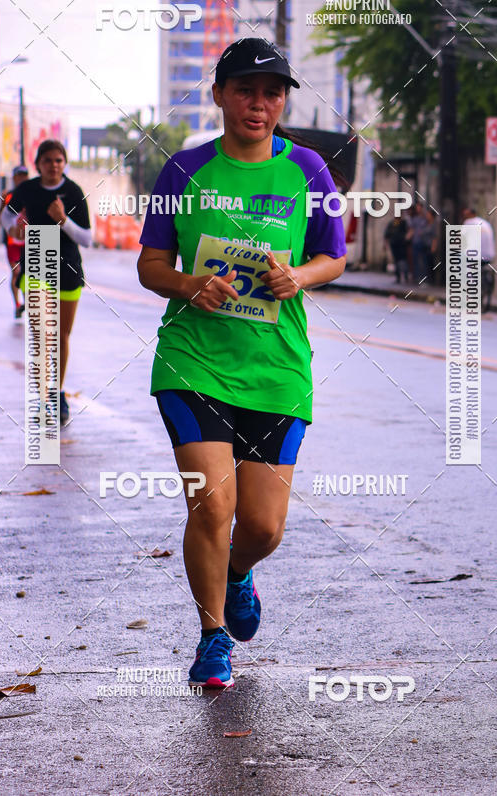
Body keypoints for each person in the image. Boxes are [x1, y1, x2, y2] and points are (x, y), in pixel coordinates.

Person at [137, 38, 347, 689]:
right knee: (211, 507)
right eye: (246, 90)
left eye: (272, 92)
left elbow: (334, 256)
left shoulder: (309, 170)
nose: (259, 104)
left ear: (282, 101)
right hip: (193, 363)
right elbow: (150, 265)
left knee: (261, 526)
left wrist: (300, 277)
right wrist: (189, 284)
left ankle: (235, 574)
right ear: (221, 94)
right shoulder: (184, 171)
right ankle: (212, 638)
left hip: (276, 370)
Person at [0, 140, 91, 425]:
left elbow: (88, 238)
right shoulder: (27, 189)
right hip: (38, 259)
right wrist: (14, 227)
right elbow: (5, 217)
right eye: (48, 160)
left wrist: (63, 220)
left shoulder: (73, 191)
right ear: (38, 164)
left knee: (61, 337)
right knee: (42, 336)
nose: (54, 165)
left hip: (68, 267)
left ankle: (58, 393)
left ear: (64, 163)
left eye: (59, 160)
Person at [0, 165, 29, 318]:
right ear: (14, 178)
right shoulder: (7, 195)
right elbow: (1, 214)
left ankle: (26, 303)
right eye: (19, 176)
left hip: (29, 241)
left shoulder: (33, 194)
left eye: (25, 175)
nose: (22, 178)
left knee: (27, 273)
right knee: (16, 272)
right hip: (12, 242)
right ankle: (17, 304)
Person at [384, 214, 409, 283]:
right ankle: (399, 277)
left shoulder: (403, 223)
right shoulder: (392, 224)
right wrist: (386, 244)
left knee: (402, 260)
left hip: (401, 244)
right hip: (394, 244)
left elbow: (408, 231)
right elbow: (386, 234)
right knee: (397, 261)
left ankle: (405, 276)